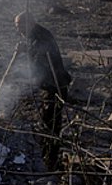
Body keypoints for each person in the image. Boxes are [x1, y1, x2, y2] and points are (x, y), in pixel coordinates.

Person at [15, 11, 72, 170]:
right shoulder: (34, 35)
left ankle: (51, 161)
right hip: (48, 85)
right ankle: (48, 157)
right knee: (47, 122)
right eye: (16, 26)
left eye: (20, 26)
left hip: (55, 86)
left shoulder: (40, 35)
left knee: (51, 124)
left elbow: (42, 55)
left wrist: (26, 50)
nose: (18, 30)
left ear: (30, 22)